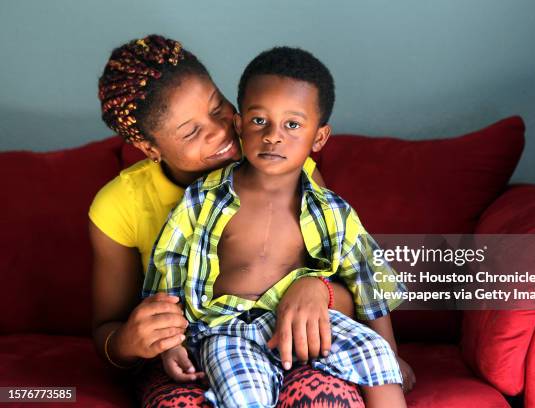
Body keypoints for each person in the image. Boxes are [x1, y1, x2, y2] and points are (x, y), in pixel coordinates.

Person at [90, 34, 372, 407]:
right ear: (150, 148)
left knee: (326, 399)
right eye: (191, 132)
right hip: (192, 360)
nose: (222, 131)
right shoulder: (118, 206)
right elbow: (106, 331)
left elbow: (357, 275)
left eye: (217, 106)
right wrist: (129, 340)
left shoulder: (285, 167)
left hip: (288, 344)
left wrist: (321, 288)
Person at [143, 46, 414, 407]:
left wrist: (391, 351)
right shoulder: (203, 198)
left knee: (374, 355)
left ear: (319, 138)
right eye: (259, 121)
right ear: (239, 124)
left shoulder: (331, 210)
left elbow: (368, 280)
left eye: (292, 125)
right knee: (242, 394)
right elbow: (169, 269)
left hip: (303, 325)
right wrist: (172, 344)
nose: (273, 135)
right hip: (227, 328)